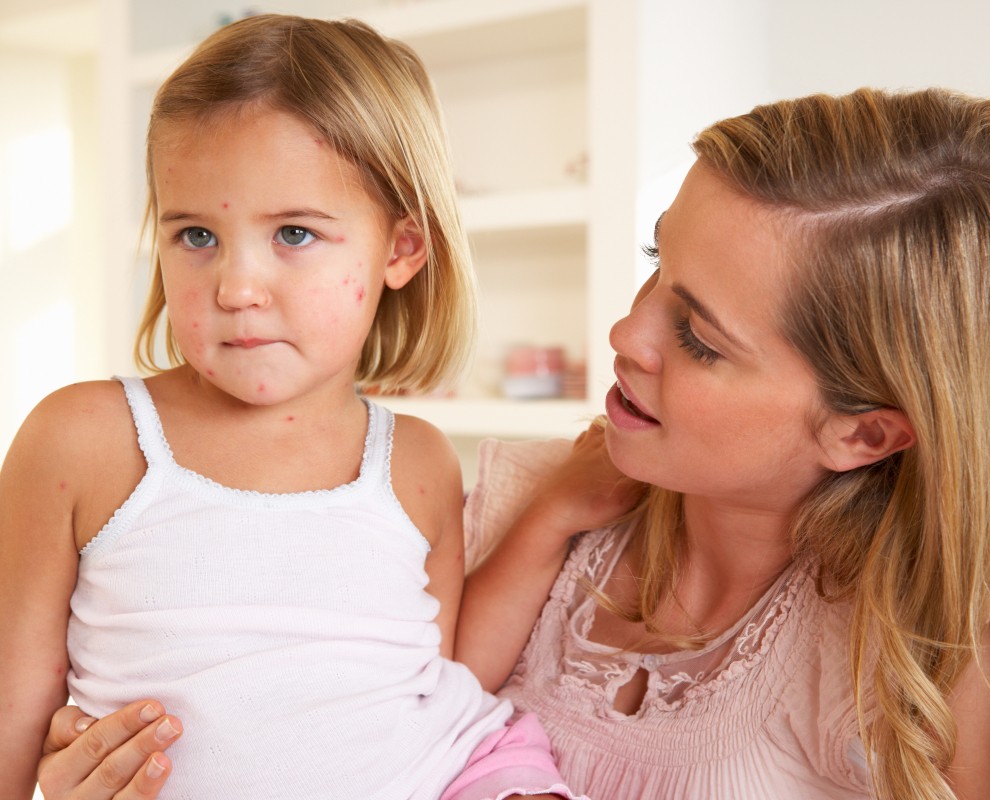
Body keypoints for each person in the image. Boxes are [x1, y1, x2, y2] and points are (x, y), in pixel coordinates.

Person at [35, 88, 990, 799]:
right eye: (654, 264)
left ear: (865, 428)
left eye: (701, 334)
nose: (627, 333)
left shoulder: (958, 674)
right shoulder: (494, 504)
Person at [0, 14, 583, 800]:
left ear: (401, 250)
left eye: (296, 234)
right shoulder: (84, 441)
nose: (237, 288)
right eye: (197, 235)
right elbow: (13, 711)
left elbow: (422, 683)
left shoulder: (415, 461)